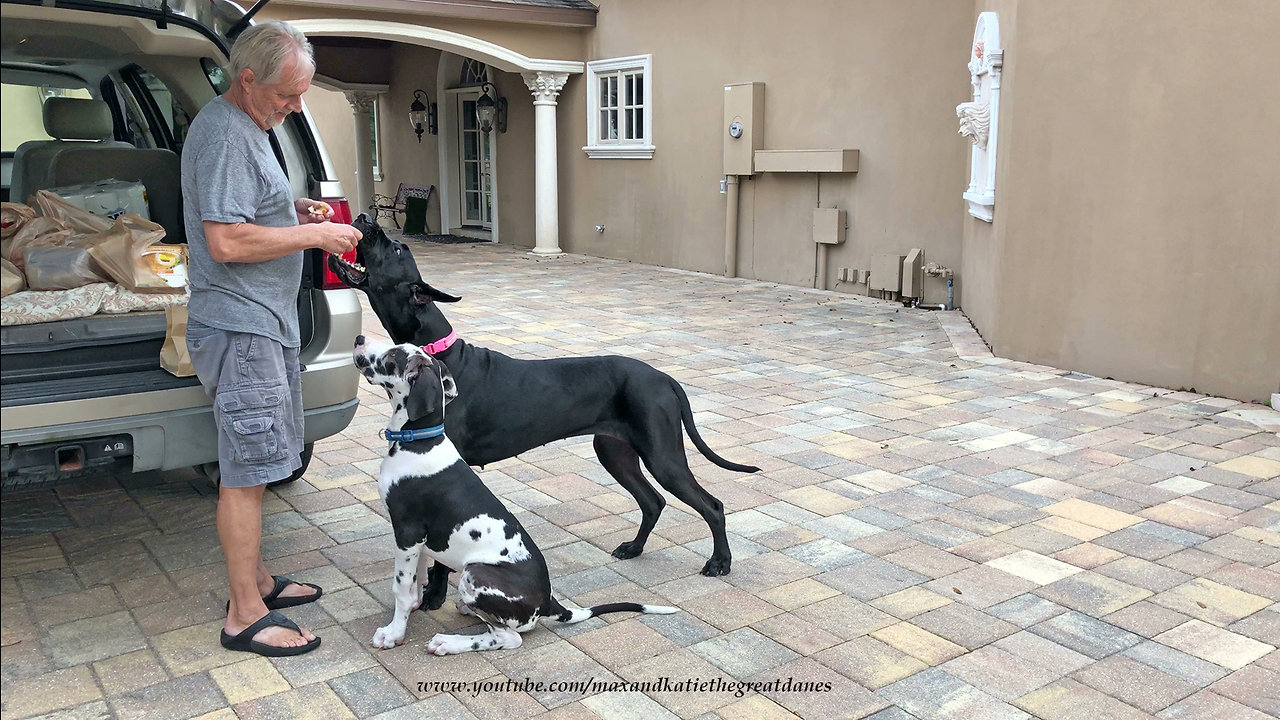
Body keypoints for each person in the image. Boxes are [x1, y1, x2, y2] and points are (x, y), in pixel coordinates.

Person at [180, 20, 361, 656]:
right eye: (287, 95)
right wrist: (313, 236)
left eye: (301, 95)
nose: (294, 107)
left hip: (265, 322)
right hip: (242, 324)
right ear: (247, 78)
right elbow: (226, 241)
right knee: (247, 471)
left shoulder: (252, 128)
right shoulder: (228, 135)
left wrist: (293, 214)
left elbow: (247, 218)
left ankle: (255, 579)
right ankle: (244, 614)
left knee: (257, 463)